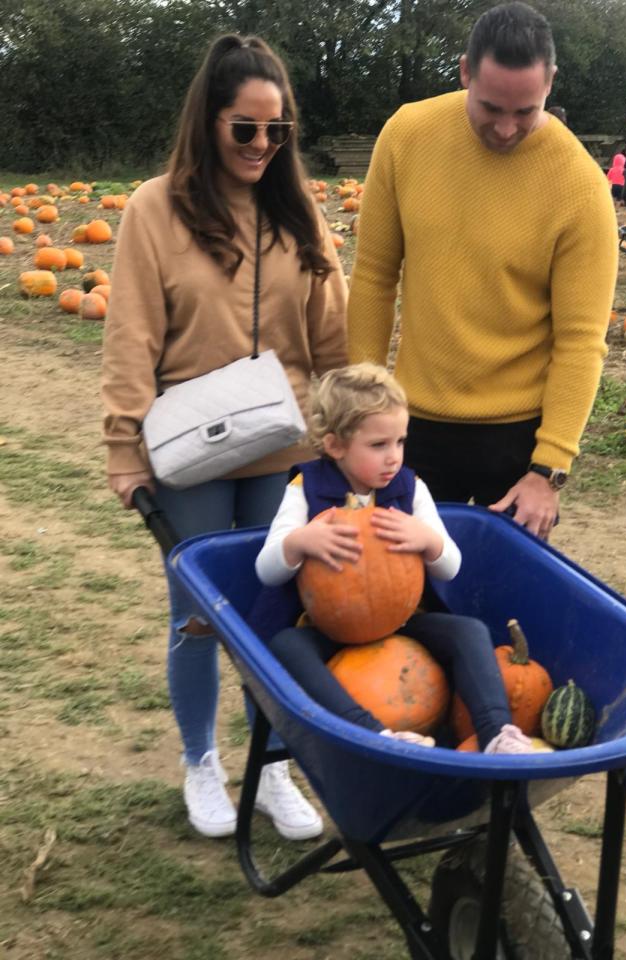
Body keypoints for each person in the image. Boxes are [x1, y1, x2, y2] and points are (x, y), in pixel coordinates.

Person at [101, 34, 348, 841]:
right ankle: (202, 761)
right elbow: (132, 334)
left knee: (276, 612)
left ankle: (271, 766)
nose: (261, 147)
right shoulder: (154, 209)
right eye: (246, 129)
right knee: (201, 613)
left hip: (285, 443)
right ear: (209, 121)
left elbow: (331, 336)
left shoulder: (297, 209)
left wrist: (346, 427)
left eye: (276, 132)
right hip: (192, 448)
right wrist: (123, 445)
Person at [347, 1, 617, 540]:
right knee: (399, 598)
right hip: (411, 423)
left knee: (501, 608)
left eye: (526, 111)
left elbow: (581, 341)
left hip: (518, 439)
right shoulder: (407, 135)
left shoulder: (581, 187)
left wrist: (549, 470)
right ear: (466, 71)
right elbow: (374, 278)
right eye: (491, 108)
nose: (506, 128)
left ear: (551, 83)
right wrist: (361, 407)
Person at [256, 363, 533, 754]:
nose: (394, 457)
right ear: (335, 446)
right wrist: (300, 542)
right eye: (378, 445)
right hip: (328, 629)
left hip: (403, 622)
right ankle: (372, 733)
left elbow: (450, 565)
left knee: (470, 631)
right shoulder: (306, 490)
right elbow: (266, 570)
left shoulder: (411, 489)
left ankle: (496, 732)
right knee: (286, 646)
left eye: (400, 442)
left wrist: (428, 541)